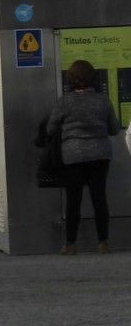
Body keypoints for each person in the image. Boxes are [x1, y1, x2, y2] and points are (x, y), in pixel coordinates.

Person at [47, 59, 119, 255]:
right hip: (100, 154)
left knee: (73, 200)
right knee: (99, 198)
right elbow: (113, 129)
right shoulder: (103, 100)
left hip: (73, 156)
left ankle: (70, 244)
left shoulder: (65, 101)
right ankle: (103, 243)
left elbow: (51, 128)